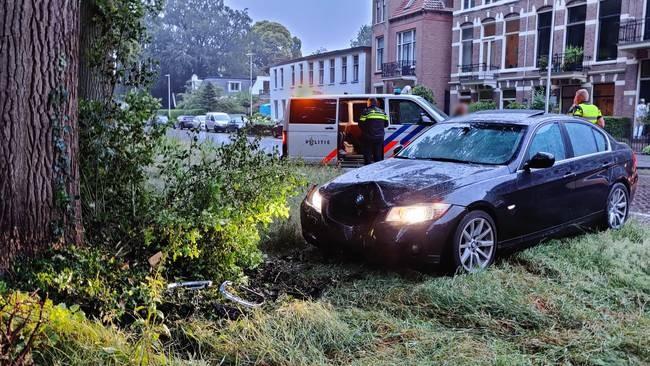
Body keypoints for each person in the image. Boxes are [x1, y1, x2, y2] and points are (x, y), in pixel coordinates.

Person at [359, 98, 388, 165]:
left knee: (367, 155)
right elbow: (386, 124)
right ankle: (377, 170)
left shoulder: (366, 112)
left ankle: (367, 170)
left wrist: (366, 130)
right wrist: (378, 128)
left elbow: (360, 124)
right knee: (378, 155)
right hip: (379, 137)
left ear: (369, 103)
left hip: (368, 137)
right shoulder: (382, 112)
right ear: (376, 103)